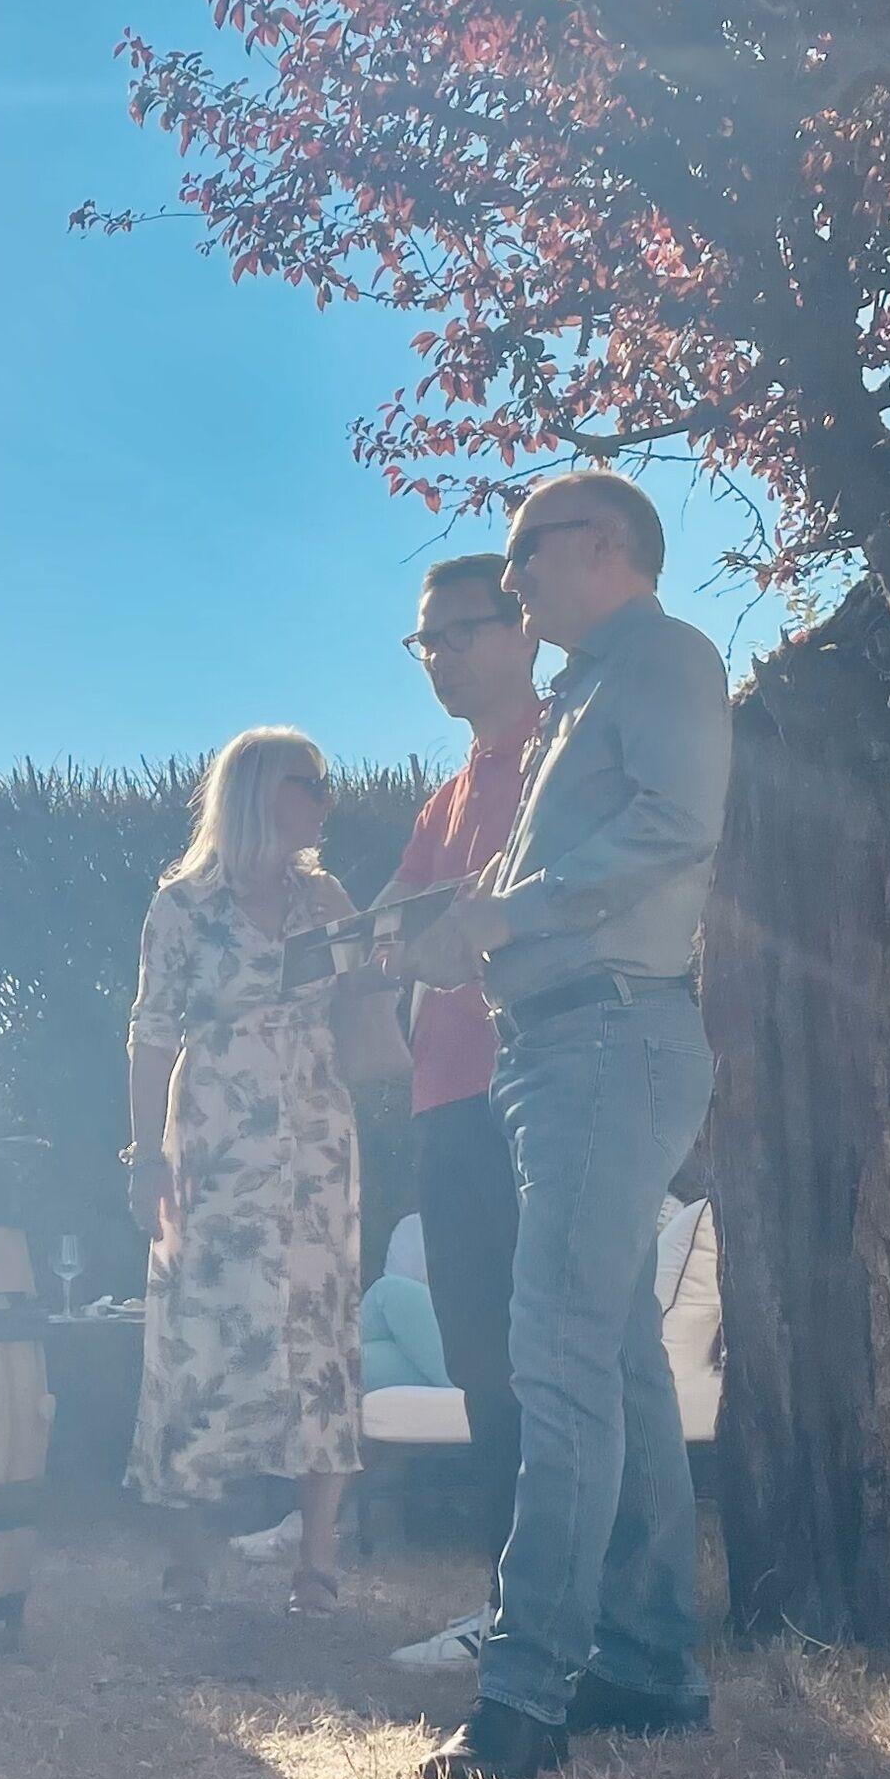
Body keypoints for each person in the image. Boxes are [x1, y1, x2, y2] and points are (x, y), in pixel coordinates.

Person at [399, 470, 729, 1779]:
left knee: (560, 1366)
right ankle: (648, 1674)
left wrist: (513, 916)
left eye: (526, 554)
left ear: (600, 547)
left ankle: (522, 1707)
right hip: (565, 1049)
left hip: (608, 1039)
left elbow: (671, 828)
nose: (512, 579)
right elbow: (551, 871)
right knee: (620, 1371)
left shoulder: (660, 655)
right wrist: (463, 919)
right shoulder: (586, 692)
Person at [126, 727, 364, 1617]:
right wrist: (143, 1155)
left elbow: (371, 991)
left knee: (319, 1327)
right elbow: (152, 1032)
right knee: (205, 1327)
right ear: (261, 793)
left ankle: (319, 1560)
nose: (326, 800)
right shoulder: (183, 907)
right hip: (217, 1134)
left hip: (315, 1135)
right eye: (312, 783)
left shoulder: (326, 897)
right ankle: (187, 1555)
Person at [372, 550, 547, 1674]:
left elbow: (482, 923)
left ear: (523, 628)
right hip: (446, 1099)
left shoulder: (560, 759)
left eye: (458, 633)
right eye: (424, 641)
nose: (438, 657)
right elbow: (391, 925)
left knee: (551, 1362)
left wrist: (437, 933)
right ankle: (510, 1604)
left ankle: (559, 1613)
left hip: (541, 1088)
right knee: (486, 1359)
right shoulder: (451, 793)